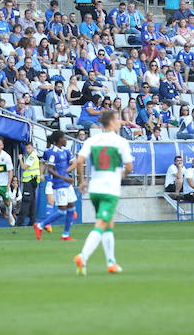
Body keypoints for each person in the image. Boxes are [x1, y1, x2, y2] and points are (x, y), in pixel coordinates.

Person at [72, 110, 133, 276]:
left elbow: (80, 160)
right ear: (111, 122)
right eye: (118, 119)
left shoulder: (93, 139)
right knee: (101, 224)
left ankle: (111, 262)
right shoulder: (120, 141)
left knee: (108, 224)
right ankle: (82, 256)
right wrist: (122, 173)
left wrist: (82, 180)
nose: (120, 122)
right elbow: (129, 167)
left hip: (94, 189)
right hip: (109, 189)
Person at [35, 132, 77, 241]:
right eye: (64, 137)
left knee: (72, 207)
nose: (66, 139)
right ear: (59, 140)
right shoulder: (53, 153)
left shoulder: (66, 151)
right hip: (59, 184)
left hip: (67, 183)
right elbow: (50, 169)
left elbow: (74, 163)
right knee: (62, 210)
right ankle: (40, 225)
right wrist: (64, 177)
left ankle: (65, 235)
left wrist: (66, 172)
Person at [17, 140, 39, 227]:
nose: (27, 150)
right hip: (32, 181)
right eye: (26, 148)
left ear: (33, 148)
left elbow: (24, 167)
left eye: (29, 148)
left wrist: (20, 159)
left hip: (29, 181)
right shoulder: (32, 156)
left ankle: (20, 222)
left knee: (26, 202)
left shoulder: (31, 157)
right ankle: (32, 221)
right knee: (32, 202)